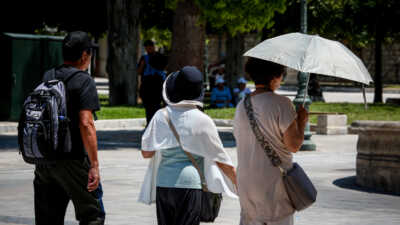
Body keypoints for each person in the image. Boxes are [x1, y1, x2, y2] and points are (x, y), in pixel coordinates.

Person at [139, 66, 238, 225]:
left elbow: (146, 153)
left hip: (164, 184)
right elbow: (221, 160)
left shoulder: (161, 115)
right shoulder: (203, 120)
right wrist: (240, 184)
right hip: (191, 185)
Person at [35, 31, 105, 225]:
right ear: (84, 55)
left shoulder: (48, 75)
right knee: (93, 215)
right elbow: (86, 123)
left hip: (45, 159)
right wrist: (94, 165)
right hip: (73, 159)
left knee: (47, 219)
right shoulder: (84, 80)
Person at [233, 57, 308, 225]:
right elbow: (294, 145)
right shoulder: (281, 103)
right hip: (273, 182)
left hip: (246, 182)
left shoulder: (241, 105)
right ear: (274, 77)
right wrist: (301, 122)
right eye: (281, 75)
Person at [137, 40, 167, 124]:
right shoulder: (144, 58)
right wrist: (143, 64)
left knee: (156, 106)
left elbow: (163, 68)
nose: (149, 49)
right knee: (148, 107)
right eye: (147, 47)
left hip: (157, 85)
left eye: (150, 46)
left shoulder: (160, 56)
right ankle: (149, 123)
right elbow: (139, 72)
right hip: (147, 85)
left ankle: (157, 123)